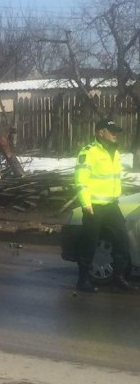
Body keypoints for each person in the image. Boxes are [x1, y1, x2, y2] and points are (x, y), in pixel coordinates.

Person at [74, 119, 137, 292]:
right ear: (101, 132)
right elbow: (81, 180)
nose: (115, 134)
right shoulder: (89, 152)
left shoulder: (114, 153)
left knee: (122, 241)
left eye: (116, 131)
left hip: (111, 205)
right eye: (111, 131)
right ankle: (83, 280)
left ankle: (119, 277)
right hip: (93, 206)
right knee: (90, 242)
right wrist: (86, 203)